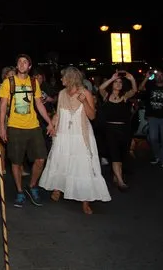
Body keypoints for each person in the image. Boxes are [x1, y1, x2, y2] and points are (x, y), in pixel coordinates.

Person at [40, 66, 110, 214]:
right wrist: (52, 125)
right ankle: (58, 188)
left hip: (80, 134)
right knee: (61, 162)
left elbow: (92, 116)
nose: (61, 79)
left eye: (63, 77)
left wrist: (84, 102)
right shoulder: (61, 93)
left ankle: (85, 200)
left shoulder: (85, 93)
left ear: (70, 78)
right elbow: (58, 114)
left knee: (82, 166)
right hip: (64, 134)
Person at [0, 54, 53, 207]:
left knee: (41, 158)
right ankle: (20, 191)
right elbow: (3, 106)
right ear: (17, 66)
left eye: (25, 62)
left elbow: (39, 104)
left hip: (33, 126)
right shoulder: (8, 82)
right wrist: (2, 126)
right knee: (16, 161)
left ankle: (32, 185)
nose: (22, 64)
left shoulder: (34, 82)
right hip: (15, 127)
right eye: (20, 62)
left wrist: (49, 122)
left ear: (29, 67)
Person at [97, 71, 138, 190]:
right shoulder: (106, 96)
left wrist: (132, 79)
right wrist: (111, 78)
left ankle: (117, 175)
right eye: (116, 82)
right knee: (115, 155)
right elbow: (100, 88)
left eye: (120, 82)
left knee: (121, 155)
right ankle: (120, 181)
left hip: (124, 130)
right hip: (110, 130)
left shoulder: (124, 96)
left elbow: (134, 90)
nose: (118, 84)